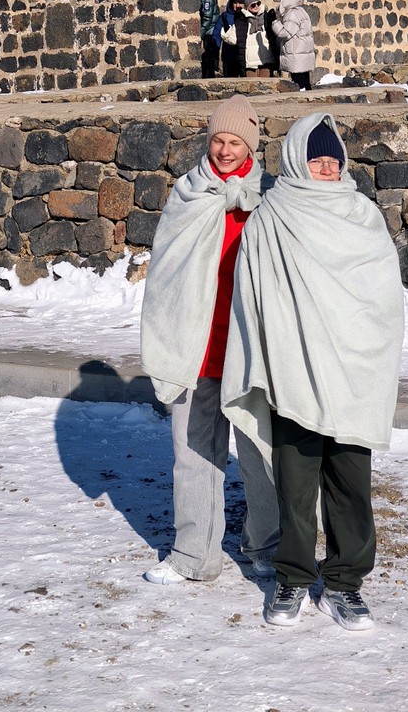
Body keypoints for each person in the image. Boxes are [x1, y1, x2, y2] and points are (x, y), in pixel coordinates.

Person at [222, 113, 404, 633]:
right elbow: (254, 294)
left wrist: (366, 352)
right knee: (295, 487)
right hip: (294, 369)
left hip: (351, 373)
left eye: (333, 159)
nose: (326, 168)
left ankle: (344, 585)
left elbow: (382, 299)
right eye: (316, 159)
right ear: (297, 161)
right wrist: (268, 356)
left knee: (351, 483)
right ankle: (294, 578)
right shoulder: (271, 217)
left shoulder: (362, 216)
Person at [140, 95, 279, 585]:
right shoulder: (190, 193)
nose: (224, 150)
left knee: (261, 452)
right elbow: (167, 269)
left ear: (251, 147)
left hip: (250, 347)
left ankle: (266, 543)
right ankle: (193, 554)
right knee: (194, 451)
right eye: (218, 140)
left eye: (235, 142)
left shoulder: (270, 198)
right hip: (197, 344)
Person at [272, 0, 316, 91]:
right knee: (305, 84)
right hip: (302, 56)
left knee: (299, 85)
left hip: (296, 56)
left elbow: (285, 33)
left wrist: (274, 22)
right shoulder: (302, 12)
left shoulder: (292, 14)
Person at [243, 0, 278, 77]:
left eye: (257, 3)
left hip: (266, 59)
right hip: (250, 62)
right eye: (252, 5)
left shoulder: (266, 18)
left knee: (267, 87)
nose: (256, 6)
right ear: (247, 7)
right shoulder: (243, 20)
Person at [217, 0, 248, 78]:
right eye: (235, 3)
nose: (238, 5)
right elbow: (217, 33)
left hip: (245, 55)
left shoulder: (249, 16)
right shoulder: (225, 16)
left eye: (240, 3)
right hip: (229, 55)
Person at [199, 0, 221, 78]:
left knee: (209, 61)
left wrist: (201, 33)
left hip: (209, 31)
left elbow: (207, 16)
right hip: (212, 30)